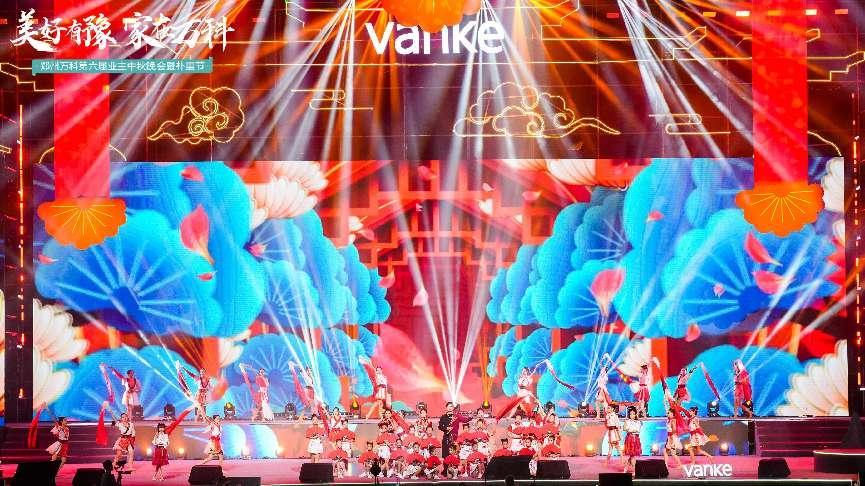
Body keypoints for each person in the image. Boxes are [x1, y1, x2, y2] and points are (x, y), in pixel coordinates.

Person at [622, 406, 642, 473]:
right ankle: (633, 470)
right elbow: (625, 429)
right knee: (632, 455)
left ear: (635, 414)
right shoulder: (627, 421)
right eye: (630, 414)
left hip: (635, 438)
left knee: (632, 455)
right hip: (629, 438)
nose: (632, 415)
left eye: (633, 414)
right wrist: (628, 426)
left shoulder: (638, 422)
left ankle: (627, 469)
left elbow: (637, 430)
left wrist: (630, 429)